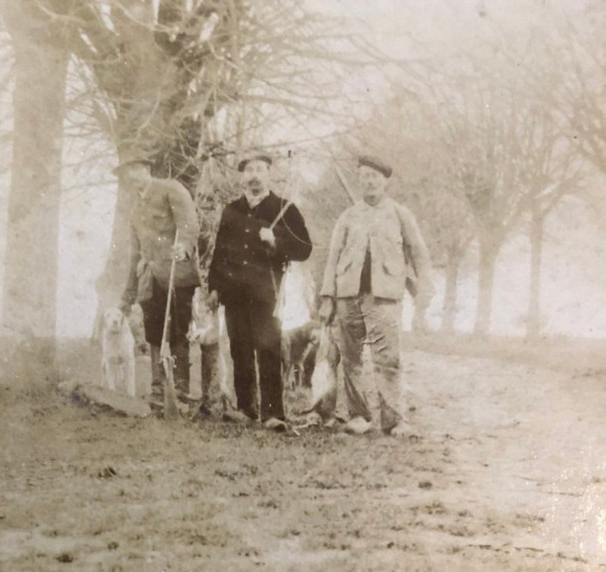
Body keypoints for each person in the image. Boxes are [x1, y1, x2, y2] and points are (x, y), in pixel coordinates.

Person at [319, 155, 433, 437]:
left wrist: (425, 289)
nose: (369, 181)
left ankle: (394, 421)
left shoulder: (399, 214)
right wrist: (327, 296)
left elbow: (419, 252)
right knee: (351, 358)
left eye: (375, 177)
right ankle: (359, 416)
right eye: (364, 176)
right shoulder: (347, 217)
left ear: (385, 182)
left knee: (388, 359)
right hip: (348, 296)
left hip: (384, 297)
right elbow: (333, 259)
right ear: (359, 180)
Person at [207, 153, 312, 429]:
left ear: (268, 174)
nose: (253, 175)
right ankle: (245, 408)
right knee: (239, 349)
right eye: (248, 170)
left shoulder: (284, 209)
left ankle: (272, 413)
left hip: (267, 293)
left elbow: (304, 249)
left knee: (268, 350)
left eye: (259, 169)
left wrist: (276, 241)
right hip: (233, 293)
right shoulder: (231, 210)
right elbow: (219, 252)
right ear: (243, 177)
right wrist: (215, 288)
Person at [117, 152, 200, 408]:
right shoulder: (134, 210)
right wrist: (127, 295)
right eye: (126, 173)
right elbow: (134, 252)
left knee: (178, 332)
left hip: (177, 275)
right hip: (149, 280)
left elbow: (189, 224)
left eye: (135, 169)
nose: (131, 176)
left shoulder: (170, 190)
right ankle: (158, 388)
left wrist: (184, 247)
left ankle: (182, 390)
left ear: (146, 168)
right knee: (154, 334)